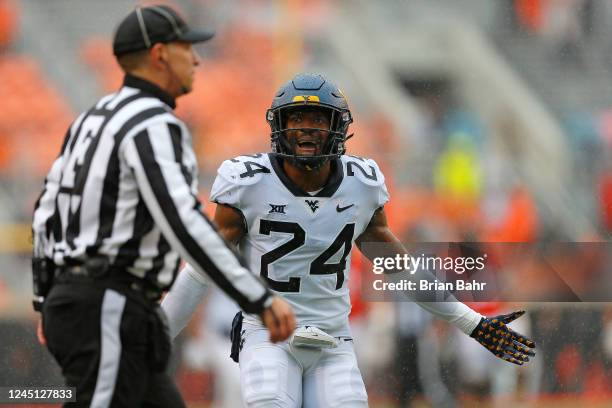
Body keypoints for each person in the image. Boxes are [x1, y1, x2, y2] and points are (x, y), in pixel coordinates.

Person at [162, 73, 536, 407]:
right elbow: (201, 268)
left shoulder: (361, 184)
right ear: (279, 125)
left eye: (317, 119)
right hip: (267, 334)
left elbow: (401, 270)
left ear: (338, 127)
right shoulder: (248, 181)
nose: (307, 129)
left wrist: (471, 322)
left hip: (334, 338)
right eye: (297, 118)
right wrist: (157, 334)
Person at [31, 5, 294, 407]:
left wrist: (44, 297)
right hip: (109, 302)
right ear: (158, 55)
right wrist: (258, 297)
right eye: (185, 47)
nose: (196, 58)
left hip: (89, 301)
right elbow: (183, 221)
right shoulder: (153, 123)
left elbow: (47, 212)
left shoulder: (91, 118)